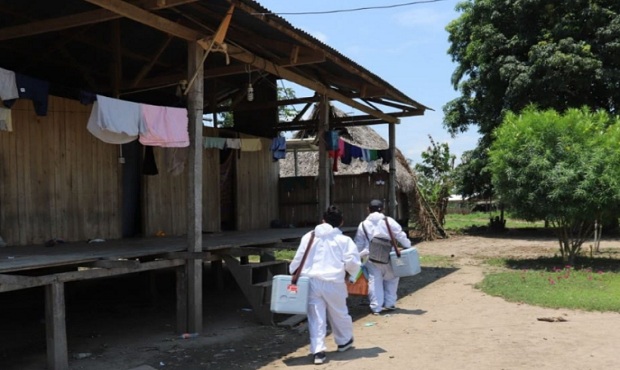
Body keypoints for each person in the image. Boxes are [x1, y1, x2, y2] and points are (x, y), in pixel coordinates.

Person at [289, 205, 362, 365]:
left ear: (323, 220)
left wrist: (293, 272)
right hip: (334, 282)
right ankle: (343, 342)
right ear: (341, 222)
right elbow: (353, 263)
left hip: (312, 282)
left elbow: (298, 260)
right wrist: (351, 276)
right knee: (339, 313)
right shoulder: (344, 240)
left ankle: (318, 351)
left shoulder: (308, 237)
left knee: (316, 317)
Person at [354, 199, 412, 315]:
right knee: (392, 278)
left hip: (371, 257)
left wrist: (357, 255)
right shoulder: (389, 221)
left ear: (368, 210)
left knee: (374, 280)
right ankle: (390, 303)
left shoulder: (363, 225)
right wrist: (408, 246)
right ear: (383, 209)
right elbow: (400, 235)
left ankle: (376, 307)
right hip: (388, 255)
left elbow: (359, 243)